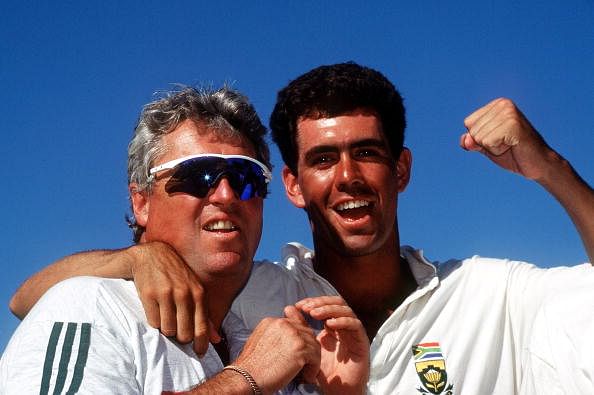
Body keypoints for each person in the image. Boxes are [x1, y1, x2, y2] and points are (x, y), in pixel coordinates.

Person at [10, 63, 594, 393]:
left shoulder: (496, 295)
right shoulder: (263, 300)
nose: (347, 177)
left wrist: (553, 171)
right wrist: (137, 257)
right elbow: (34, 299)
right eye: (321, 160)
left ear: (402, 169)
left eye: (367, 153)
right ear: (293, 185)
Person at [0, 86, 369, 394]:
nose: (225, 195)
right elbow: (22, 299)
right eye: (197, 175)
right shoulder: (91, 307)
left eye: (246, 178)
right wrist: (245, 380)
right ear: (141, 202)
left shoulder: (280, 311)